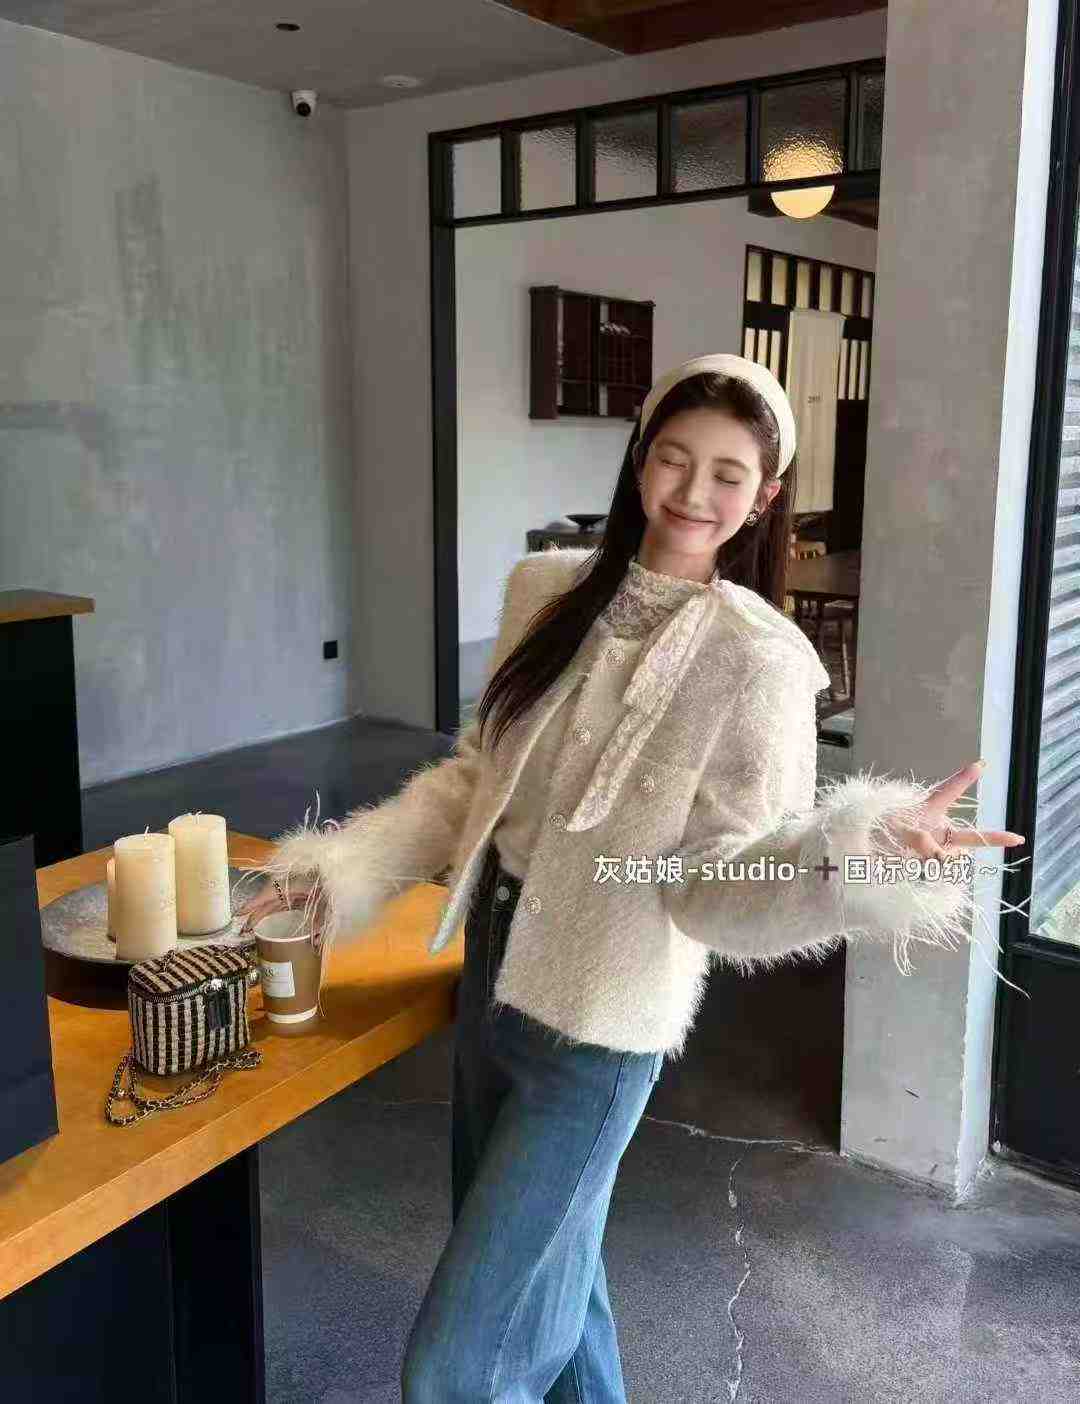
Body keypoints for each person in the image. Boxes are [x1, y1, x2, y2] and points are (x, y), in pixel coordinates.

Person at [234, 353, 1024, 1403]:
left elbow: (713, 882)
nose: (694, 493)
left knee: (459, 1366)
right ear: (641, 457)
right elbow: (475, 779)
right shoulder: (545, 590)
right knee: (559, 1295)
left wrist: (851, 851)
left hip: (602, 1027)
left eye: (729, 475)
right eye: (674, 459)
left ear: (765, 497)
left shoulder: (763, 661)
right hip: (493, 979)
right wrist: (344, 868)